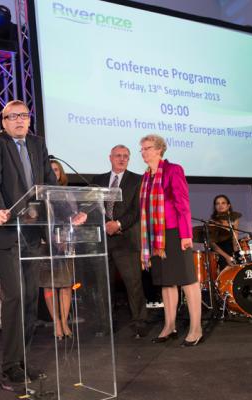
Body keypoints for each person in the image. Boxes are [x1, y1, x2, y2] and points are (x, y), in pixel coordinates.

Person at [0, 100, 86, 388]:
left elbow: (50, 186)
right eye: (12, 117)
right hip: (3, 233)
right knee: (14, 296)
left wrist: (70, 213)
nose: (19, 121)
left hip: (31, 233)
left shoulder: (38, 144)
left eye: (24, 116)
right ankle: (10, 366)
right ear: (3, 121)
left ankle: (22, 361)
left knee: (28, 299)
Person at [139, 134, 203, 347]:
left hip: (175, 233)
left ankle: (196, 328)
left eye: (147, 148)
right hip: (156, 237)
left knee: (187, 280)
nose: (143, 152)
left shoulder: (173, 170)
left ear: (159, 150)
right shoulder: (146, 176)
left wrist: (186, 235)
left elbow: (183, 203)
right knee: (166, 281)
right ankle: (169, 325)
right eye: (142, 149)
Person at [91, 145, 148, 338]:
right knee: (103, 285)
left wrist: (118, 223)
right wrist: (107, 223)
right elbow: (92, 206)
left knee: (133, 284)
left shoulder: (138, 180)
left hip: (126, 240)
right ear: (110, 158)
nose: (122, 159)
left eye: (126, 156)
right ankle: (106, 325)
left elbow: (137, 209)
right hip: (103, 240)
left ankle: (139, 323)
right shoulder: (97, 181)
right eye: (118, 156)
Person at [39, 160, 74, 339]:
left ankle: (65, 322)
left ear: (61, 173)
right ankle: (56, 323)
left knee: (66, 285)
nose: (53, 173)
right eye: (50, 170)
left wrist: (65, 237)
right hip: (46, 244)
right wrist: (48, 237)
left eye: (56, 170)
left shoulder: (67, 193)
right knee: (50, 285)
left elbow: (73, 217)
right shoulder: (40, 194)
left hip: (65, 243)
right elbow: (35, 218)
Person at [210, 194, 240, 269]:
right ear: (215, 207)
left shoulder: (234, 219)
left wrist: (236, 255)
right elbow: (212, 245)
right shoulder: (212, 222)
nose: (220, 205)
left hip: (230, 250)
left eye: (223, 203)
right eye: (217, 203)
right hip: (218, 253)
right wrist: (227, 257)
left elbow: (235, 239)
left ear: (228, 206)